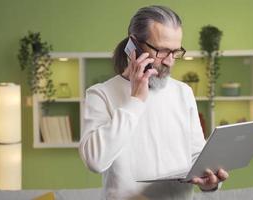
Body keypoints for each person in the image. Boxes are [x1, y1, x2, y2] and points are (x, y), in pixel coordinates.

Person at [79, 5, 228, 200]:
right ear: (133, 44)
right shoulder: (100, 94)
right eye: (162, 51)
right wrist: (135, 100)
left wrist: (209, 183)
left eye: (175, 52)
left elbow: (196, 158)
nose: (169, 61)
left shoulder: (183, 92)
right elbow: (95, 161)